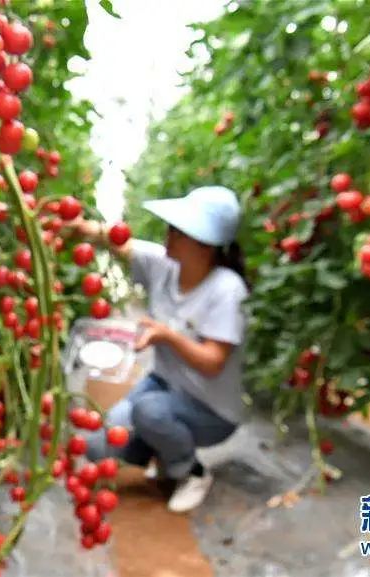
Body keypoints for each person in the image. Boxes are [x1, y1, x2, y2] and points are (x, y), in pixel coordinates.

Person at [74, 186, 248, 513]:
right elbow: (115, 240)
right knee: (99, 445)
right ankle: (161, 450)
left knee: (150, 411)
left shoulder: (227, 289)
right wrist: (73, 225)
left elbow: (213, 362)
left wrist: (168, 336)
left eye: (178, 231)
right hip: (163, 386)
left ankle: (191, 471)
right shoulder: (163, 264)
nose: (168, 234)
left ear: (204, 246)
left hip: (210, 410)